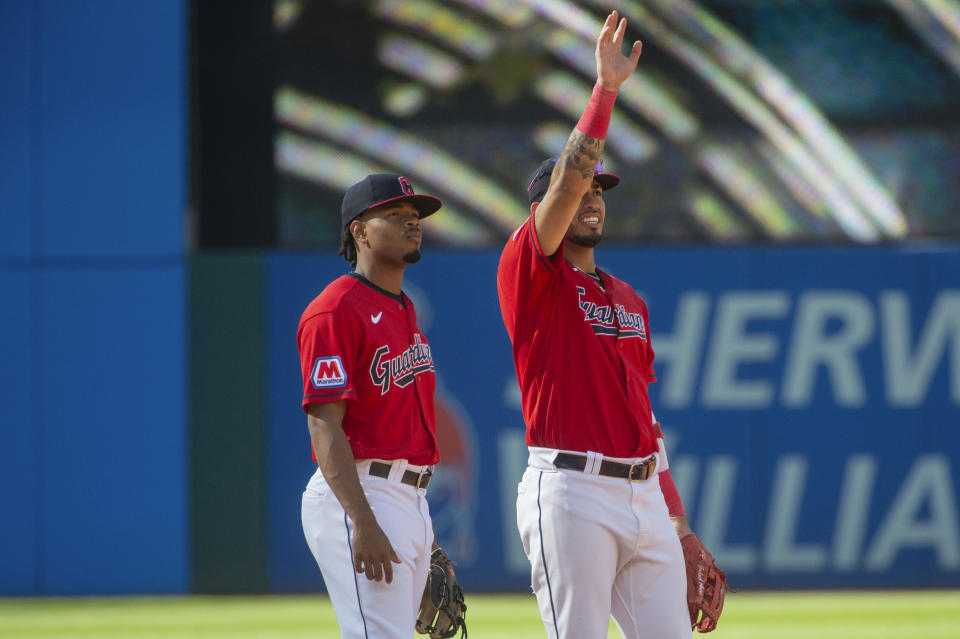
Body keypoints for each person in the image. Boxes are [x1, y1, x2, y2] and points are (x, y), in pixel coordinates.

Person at [497, 11, 724, 638]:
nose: (592, 195)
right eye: (582, 190)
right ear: (548, 207)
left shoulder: (626, 298)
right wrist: (606, 91)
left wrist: (679, 525)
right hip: (571, 491)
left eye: (602, 190)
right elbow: (570, 177)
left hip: (642, 494)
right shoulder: (530, 273)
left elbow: (645, 422)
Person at [298, 173, 454, 638]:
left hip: (410, 497)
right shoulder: (335, 309)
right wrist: (361, 522)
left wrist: (427, 541)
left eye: (415, 217)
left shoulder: (404, 310)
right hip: (361, 493)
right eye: (395, 215)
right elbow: (324, 426)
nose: (412, 223)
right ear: (359, 231)